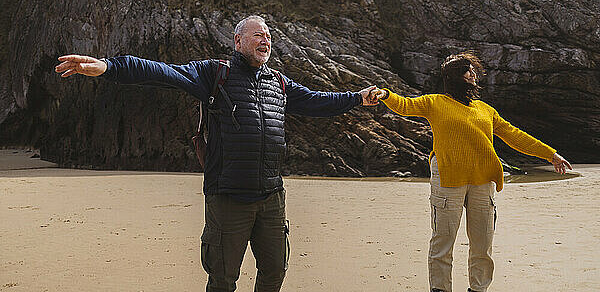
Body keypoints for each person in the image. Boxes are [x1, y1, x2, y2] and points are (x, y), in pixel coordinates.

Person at [55, 15, 379, 292]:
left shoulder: (278, 83)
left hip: (271, 198)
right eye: (257, 35)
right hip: (228, 197)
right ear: (238, 41)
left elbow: (317, 101)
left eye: (268, 36)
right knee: (223, 278)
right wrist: (111, 66)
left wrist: (356, 98)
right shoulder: (215, 74)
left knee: (275, 271)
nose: (265, 40)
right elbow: (163, 73)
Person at [371, 51, 572, 292]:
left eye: (473, 70)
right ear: (454, 76)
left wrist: (550, 154)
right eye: (468, 70)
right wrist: (385, 94)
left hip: (483, 180)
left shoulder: (485, 109)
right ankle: (440, 289)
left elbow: (514, 136)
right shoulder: (434, 103)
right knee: (443, 242)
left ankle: (478, 289)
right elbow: (405, 105)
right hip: (448, 178)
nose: (473, 74)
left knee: (482, 245)